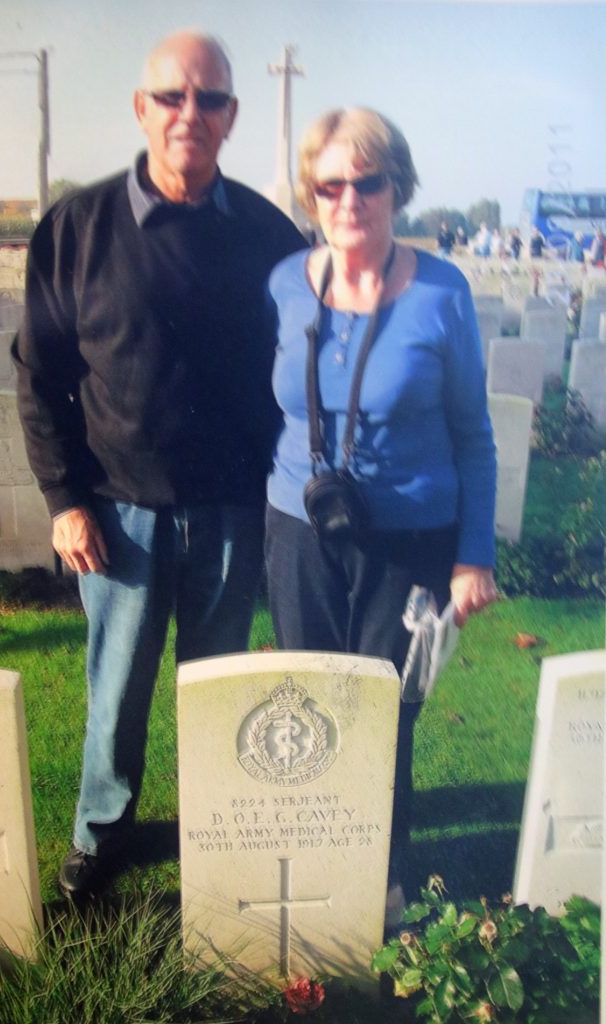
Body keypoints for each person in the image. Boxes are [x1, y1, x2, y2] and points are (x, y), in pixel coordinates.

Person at [13, 30, 306, 898]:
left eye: (209, 98)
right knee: (116, 689)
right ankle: (103, 834)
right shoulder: (75, 228)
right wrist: (65, 499)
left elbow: (299, 365)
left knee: (216, 692)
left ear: (231, 116)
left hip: (231, 508)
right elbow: (41, 375)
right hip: (118, 511)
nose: (191, 114)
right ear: (141, 108)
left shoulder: (268, 233)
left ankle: (220, 824)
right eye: (172, 97)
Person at [264, 108, 497, 919]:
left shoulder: (442, 293)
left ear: (397, 187)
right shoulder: (287, 282)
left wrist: (474, 557)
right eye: (330, 184)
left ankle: (383, 889)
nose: (349, 199)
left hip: (411, 542)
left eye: (368, 182)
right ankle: (317, 877)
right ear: (312, 193)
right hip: (299, 532)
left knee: (385, 716)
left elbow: (474, 436)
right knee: (312, 708)